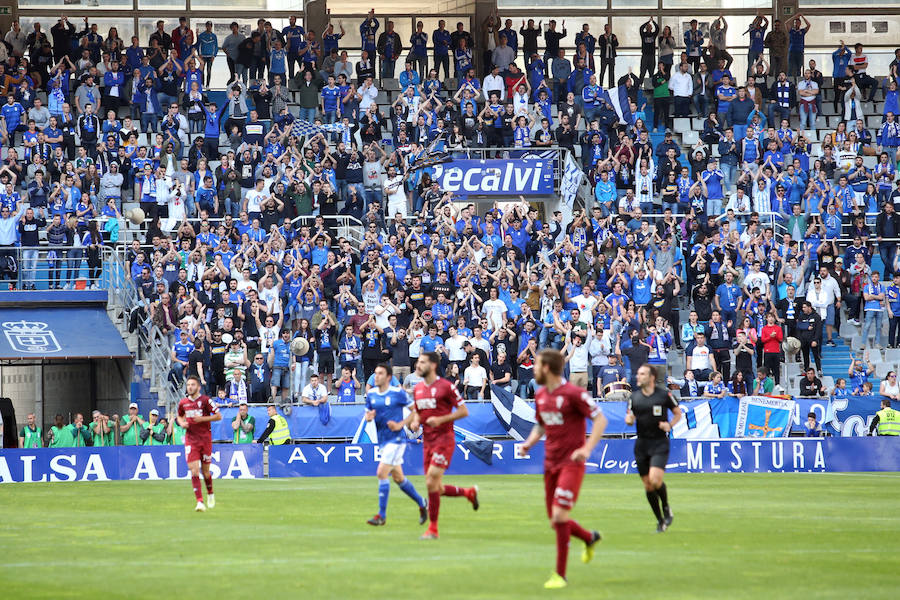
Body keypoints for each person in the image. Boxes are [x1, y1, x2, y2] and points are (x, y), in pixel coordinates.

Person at [517, 348, 606, 590]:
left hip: (571, 463)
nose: (533, 368)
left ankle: (560, 574)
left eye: (535, 365)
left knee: (559, 516)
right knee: (556, 521)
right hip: (550, 463)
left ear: (546, 368)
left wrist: (587, 449)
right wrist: (528, 444)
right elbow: (541, 425)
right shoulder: (541, 394)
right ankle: (589, 538)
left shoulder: (574, 394)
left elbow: (601, 419)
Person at [406, 351, 479, 540]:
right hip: (428, 442)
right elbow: (417, 412)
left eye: (422, 363)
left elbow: (464, 411)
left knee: (430, 481)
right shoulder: (419, 388)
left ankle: (433, 529)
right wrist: (415, 421)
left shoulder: (446, 387)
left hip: (444, 440)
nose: (417, 366)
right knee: (435, 487)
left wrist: (441, 419)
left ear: (432, 365)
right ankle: (468, 493)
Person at [364, 363, 428, 527]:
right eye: (375, 373)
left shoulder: (398, 393)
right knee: (399, 478)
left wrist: (402, 425)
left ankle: (381, 515)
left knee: (381, 473)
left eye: (380, 373)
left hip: (397, 440)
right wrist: (369, 417)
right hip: (383, 440)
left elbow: (415, 410)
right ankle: (422, 502)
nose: (376, 376)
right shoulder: (371, 394)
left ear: (388, 377)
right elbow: (368, 415)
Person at [625, 364, 682, 533]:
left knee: (655, 480)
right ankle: (660, 520)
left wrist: (669, 425)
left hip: (659, 443)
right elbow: (630, 416)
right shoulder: (634, 397)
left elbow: (678, 413)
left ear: (651, 377)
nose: (637, 376)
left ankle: (665, 506)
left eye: (641, 374)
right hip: (641, 444)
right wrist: (629, 420)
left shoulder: (664, 395)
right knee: (648, 486)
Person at [176, 375, 223, 512]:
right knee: (194, 470)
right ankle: (199, 502)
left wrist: (202, 419)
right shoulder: (183, 402)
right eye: (188, 385)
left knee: (206, 472)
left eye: (192, 385)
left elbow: (218, 416)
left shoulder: (206, 400)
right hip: (191, 439)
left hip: (205, 439)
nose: (190, 387)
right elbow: (179, 415)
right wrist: (182, 423)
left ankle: (210, 493)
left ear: (198, 387)